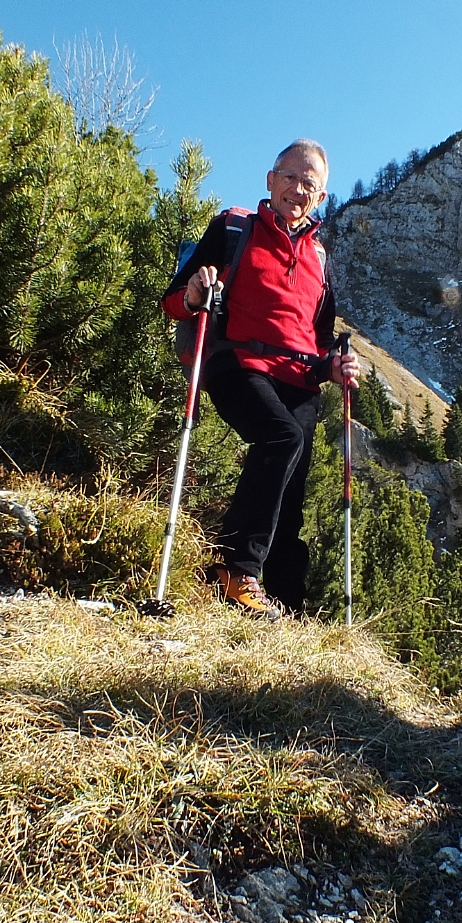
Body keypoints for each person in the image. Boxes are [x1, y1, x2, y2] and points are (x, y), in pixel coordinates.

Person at [161, 139, 360, 618]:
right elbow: (174, 302)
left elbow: (319, 341)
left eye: (309, 183)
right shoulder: (233, 227)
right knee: (280, 436)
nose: (297, 188)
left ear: (322, 197)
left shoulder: (321, 259)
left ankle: (288, 610)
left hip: (300, 380)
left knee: (290, 497)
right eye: (289, 176)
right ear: (270, 180)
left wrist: (332, 368)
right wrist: (191, 295)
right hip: (237, 363)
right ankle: (235, 570)